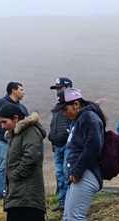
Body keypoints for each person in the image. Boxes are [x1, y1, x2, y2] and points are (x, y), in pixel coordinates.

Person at [40, 88, 111, 221]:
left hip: (86, 174)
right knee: (68, 219)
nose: (64, 113)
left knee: (75, 218)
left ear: (77, 104)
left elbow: (94, 145)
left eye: (65, 109)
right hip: (78, 175)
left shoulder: (88, 118)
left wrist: (77, 170)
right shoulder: (80, 119)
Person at [0, 82, 29, 199]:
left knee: (18, 165)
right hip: (4, 141)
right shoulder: (1, 102)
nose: (23, 92)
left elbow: (27, 123)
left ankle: (14, 192)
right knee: (3, 166)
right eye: (21, 90)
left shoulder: (22, 108)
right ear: (13, 90)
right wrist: (7, 134)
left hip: (20, 142)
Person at [48, 77, 73, 212]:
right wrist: (53, 139)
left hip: (68, 144)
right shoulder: (58, 106)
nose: (57, 91)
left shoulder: (74, 104)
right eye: (57, 89)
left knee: (66, 171)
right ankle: (63, 200)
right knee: (60, 173)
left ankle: (68, 200)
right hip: (57, 145)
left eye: (60, 88)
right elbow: (54, 124)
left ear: (68, 88)